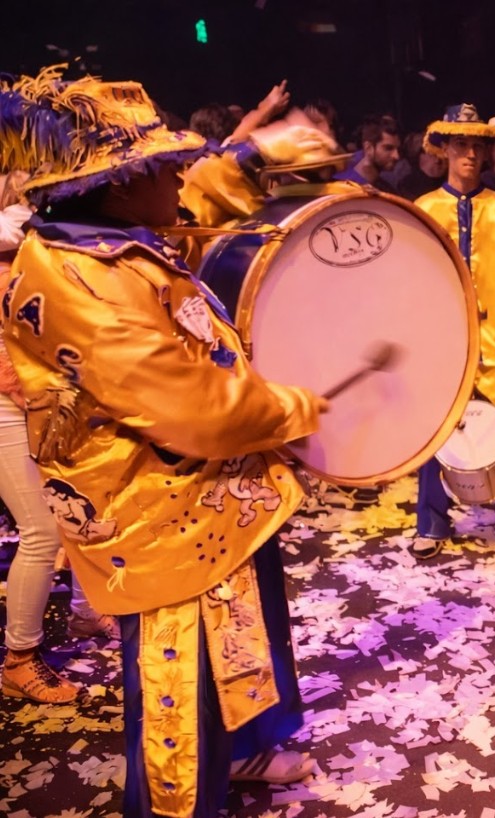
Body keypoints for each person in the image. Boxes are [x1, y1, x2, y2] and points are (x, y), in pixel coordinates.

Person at [0, 67, 337, 817]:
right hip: (156, 516)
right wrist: (298, 407)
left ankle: (240, 753)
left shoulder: (103, 235)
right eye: (162, 165)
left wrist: (250, 157)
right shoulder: (80, 282)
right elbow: (193, 409)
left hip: (200, 499)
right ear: (117, 185)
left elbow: (194, 199)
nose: (180, 173)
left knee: (238, 638)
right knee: (177, 681)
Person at [0, 172, 118, 704]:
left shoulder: (37, 241)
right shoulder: (14, 242)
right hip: (8, 402)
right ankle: (19, 660)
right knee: (42, 530)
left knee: (77, 509)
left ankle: (86, 612)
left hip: (43, 399)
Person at [413, 104, 495, 556]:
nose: (470, 153)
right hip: (443, 342)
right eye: (461, 144)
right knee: (436, 433)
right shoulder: (425, 208)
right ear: (445, 149)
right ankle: (432, 524)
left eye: (477, 145)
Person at [335, 116, 402, 193]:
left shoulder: (386, 188)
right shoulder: (342, 187)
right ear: (368, 148)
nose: (396, 156)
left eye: (398, 149)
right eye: (388, 148)